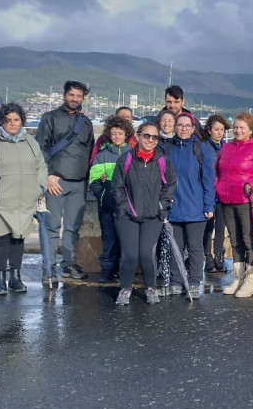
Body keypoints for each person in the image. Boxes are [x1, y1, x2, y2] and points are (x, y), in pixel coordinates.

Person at [111, 122, 177, 305]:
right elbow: (116, 187)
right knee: (130, 254)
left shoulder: (163, 161)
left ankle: (150, 287)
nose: (150, 140)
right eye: (146, 135)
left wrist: (162, 206)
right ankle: (125, 288)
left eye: (154, 137)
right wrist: (124, 207)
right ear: (138, 136)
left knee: (147, 254)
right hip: (127, 216)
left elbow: (170, 185)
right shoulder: (126, 160)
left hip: (153, 216)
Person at [36, 80, 94, 281]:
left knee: (72, 228)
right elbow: (41, 148)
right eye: (72, 95)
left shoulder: (85, 122)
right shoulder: (49, 117)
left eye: (79, 96)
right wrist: (49, 175)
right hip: (55, 182)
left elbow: (89, 151)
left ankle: (68, 264)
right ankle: (49, 267)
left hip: (79, 183)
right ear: (64, 95)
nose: (75, 99)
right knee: (51, 226)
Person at [0, 103, 48, 295]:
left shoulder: (30, 142)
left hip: (25, 200)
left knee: (18, 238)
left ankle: (15, 277)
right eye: (7, 120)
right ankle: (0, 278)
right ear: (1, 121)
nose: (12, 124)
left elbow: (41, 166)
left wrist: (40, 187)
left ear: (22, 121)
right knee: (1, 237)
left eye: (16, 120)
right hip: (0, 200)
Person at [215, 112, 253, 298]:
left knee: (249, 241)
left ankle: (250, 281)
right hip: (226, 200)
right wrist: (217, 188)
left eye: (242, 127)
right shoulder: (226, 147)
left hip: (247, 201)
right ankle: (238, 278)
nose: (238, 130)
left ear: (251, 130)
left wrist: (252, 185)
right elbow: (217, 171)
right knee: (234, 240)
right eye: (236, 127)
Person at [167, 112, 216, 298]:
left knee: (195, 247)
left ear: (193, 127)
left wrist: (209, 206)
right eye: (180, 125)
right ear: (175, 126)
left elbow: (209, 180)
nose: (184, 129)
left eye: (188, 125)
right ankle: (176, 280)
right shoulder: (167, 148)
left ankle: (195, 281)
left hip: (196, 207)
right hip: (173, 206)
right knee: (175, 247)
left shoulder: (201, 149)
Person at [88, 114, 134, 283]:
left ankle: (123, 271)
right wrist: (103, 196)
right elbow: (94, 180)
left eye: (120, 133)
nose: (116, 136)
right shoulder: (102, 155)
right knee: (109, 238)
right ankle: (107, 270)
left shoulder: (133, 154)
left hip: (128, 205)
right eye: (113, 133)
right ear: (108, 134)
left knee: (126, 240)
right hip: (107, 205)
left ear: (126, 134)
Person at [203, 115, 230, 274]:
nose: (219, 133)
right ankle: (207, 256)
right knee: (208, 227)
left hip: (223, 194)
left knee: (220, 227)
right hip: (208, 193)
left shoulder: (226, 147)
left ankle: (219, 256)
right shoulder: (204, 147)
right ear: (209, 130)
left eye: (221, 130)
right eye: (216, 130)